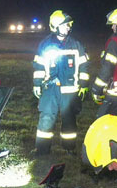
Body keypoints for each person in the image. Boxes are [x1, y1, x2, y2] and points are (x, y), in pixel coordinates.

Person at [31, 10, 90, 155]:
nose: (68, 28)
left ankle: (69, 148)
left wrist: (83, 85)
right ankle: (42, 149)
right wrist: (37, 84)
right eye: (65, 25)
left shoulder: (76, 44)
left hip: (70, 91)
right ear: (55, 26)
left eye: (69, 25)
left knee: (69, 122)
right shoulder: (45, 44)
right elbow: (39, 66)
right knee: (46, 119)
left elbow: (84, 66)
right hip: (50, 89)